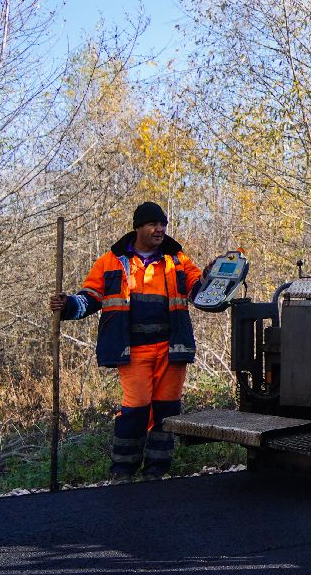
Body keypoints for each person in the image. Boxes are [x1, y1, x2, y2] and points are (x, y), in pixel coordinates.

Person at [50, 202, 204, 480]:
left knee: (167, 411)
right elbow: (90, 297)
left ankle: (156, 471)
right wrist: (67, 305)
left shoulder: (178, 259)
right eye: (153, 224)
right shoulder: (111, 261)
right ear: (138, 227)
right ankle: (123, 471)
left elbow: (199, 290)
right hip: (133, 351)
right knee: (136, 408)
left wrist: (214, 279)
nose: (159, 229)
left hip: (172, 349)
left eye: (163, 224)